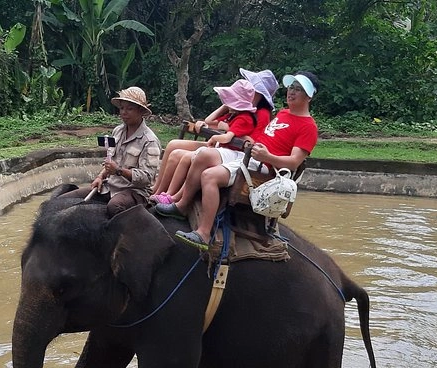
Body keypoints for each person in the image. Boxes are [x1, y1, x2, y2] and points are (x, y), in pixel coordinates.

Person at [155, 71, 320, 250]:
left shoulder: (308, 127)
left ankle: (203, 233)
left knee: (209, 176)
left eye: (298, 89)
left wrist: (267, 157)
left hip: (263, 168)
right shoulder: (283, 113)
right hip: (248, 155)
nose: (291, 92)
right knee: (203, 155)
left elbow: (294, 162)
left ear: (309, 96)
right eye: (291, 87)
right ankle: (181, 204)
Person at [150, 68, 278, 204]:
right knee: (173, 145)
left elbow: (253, 142)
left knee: (178, 155)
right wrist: (226, 104)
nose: (249, 88)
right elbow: (212, 122)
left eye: (253, 87)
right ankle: (156, 188)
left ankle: (167, 195)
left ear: (260, 94)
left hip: (232, 151)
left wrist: (229, 130)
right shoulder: (236, 110)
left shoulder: (260, 114)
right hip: (220, 145)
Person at [62, 86, 161, 216]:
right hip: (110, 186)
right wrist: (100, 177)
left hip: (135, 191)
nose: (124, 112)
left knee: (115, 206)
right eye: (122, 108)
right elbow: (111, 161)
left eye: (129, 109)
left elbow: (146, 178)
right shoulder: (117, 131)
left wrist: (119, 171)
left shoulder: (149, 141)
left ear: (141, 111)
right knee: (66, 200)